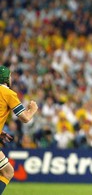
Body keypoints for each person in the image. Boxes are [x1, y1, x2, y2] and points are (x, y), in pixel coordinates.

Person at [0, 65, 38, 194]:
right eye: (10, 76)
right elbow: (25, 118)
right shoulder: (8, 93)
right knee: (7, 172)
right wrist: (33, 109)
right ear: (6, 77)